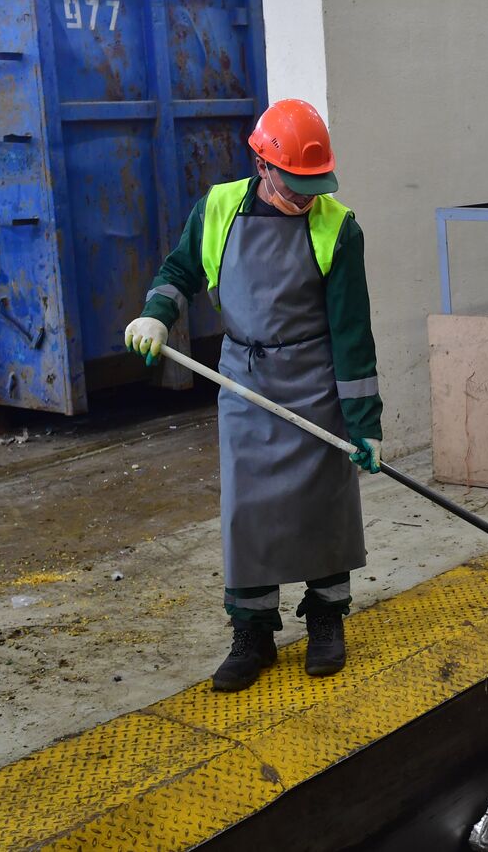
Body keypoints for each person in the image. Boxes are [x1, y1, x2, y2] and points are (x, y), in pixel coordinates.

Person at [124, 98, 382, 691]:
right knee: (248, 510)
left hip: (316, 382)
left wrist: (364, 422)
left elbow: (352, 332)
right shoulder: (217, 208)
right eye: (294, 185)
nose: (305, 197)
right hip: (245, 380)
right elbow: (178, 271)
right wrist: (157, 315)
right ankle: (253, 633)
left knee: (325, 504)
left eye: (314, 185)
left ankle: (325, 619)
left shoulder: (339, 228)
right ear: (262, 167)